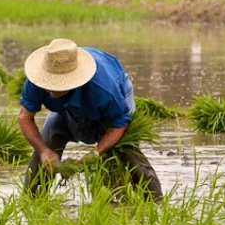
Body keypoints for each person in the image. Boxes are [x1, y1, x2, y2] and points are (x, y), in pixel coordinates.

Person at [18, 38, 162, 199]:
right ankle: (31, 200)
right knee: (47, 141)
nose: (47, 88)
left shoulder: (103, 89)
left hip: (113, 100)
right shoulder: (38, 80)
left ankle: (155, 201)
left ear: (69, 83)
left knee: (125, 151)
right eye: (48, 81)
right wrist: (44, 151)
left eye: (55, 84)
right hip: (65, 107)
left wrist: (96, 152)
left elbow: (120, 122)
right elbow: (24, 117)